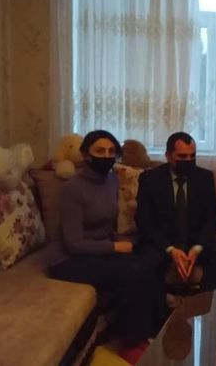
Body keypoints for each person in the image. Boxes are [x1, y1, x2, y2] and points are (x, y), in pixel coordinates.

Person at [48, 130, 167, 364]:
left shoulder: (112, 179)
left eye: (111, 151)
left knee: (147, 263)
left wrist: (122, 242)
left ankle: (157, 330)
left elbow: (104, 226)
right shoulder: (73, 188)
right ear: (86, 155)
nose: (106, 156)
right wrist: (114, 248)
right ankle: (131, 343)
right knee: (130, 271)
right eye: (99, 151)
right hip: (67, 260)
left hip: (98, 250)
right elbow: (73, 243)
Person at [135, 131, 216, 291]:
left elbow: (212, 219)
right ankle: (161, 304)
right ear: (168, 156)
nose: (188, 160)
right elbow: (144, 221)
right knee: (148, 263)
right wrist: (170, 249)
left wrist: (198, 247)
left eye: (192, 156)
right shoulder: (150, 179)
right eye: (182, 156)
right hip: (163, 241)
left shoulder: (205, 178)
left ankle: (206, 301)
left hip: (195, 239)